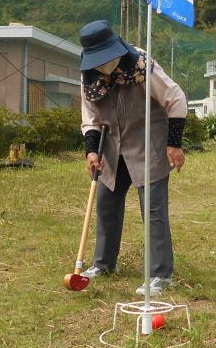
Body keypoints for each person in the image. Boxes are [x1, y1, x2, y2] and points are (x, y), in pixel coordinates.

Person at [77, 20, 187, 297]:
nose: (104, 66)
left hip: (148, 140)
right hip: (111, 145)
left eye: (107, 59)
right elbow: (90, 117)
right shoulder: (89, 76)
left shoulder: (141, 65)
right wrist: (92, 150)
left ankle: (160, 274)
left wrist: (174, 144)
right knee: (106, 204)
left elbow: (176, 99)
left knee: (152, 209)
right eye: (98, 61)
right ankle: (103, 264)